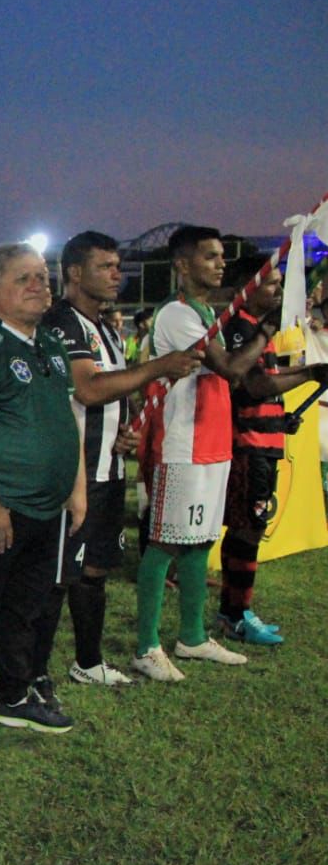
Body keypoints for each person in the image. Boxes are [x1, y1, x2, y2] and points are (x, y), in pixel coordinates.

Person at [38, 232, 201, 687]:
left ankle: (87, 663)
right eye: (105, 266)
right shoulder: (63, 323)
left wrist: (126, 427)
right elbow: (86, 388)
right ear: (74, 272)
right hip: (73, 473)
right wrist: (159, 366)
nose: (117, 275)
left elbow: (111, 388)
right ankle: (31, 676)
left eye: (117, 266)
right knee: (59, 575)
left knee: (95, 571)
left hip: (107, 469)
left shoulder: (106, 326)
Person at [0, 242, 86, 753]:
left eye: (42, 277)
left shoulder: (48, 343)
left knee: (25, 606)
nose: (38, 285)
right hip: (4, 507)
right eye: (23, 278)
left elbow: (65, 418)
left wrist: (77, 488)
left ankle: (13, 694)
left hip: (48, 508)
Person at [133, 226, 281, 680]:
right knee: (163, 545)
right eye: (210, 257)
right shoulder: (178, 315)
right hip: (182, 444)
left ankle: (193, 636)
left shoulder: (203, 311)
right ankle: (146, 646)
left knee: (199, 542)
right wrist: (266, 330)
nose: (220, 264)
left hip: (214, 444)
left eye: (221, 257)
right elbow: (233, 370)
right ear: (182, 265)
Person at [216, 265, 327, 644]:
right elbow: (256, 385)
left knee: (249, 527)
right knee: (249, 528)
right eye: (273, 284)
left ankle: (234, 610)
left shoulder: (257, 329)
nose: (280, 291)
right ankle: (237, 614)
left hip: (263, 442)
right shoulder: (241, 328)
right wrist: (311, 373)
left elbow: (268, 386)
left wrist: (281, 419)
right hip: (248, 445)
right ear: (248, 288)